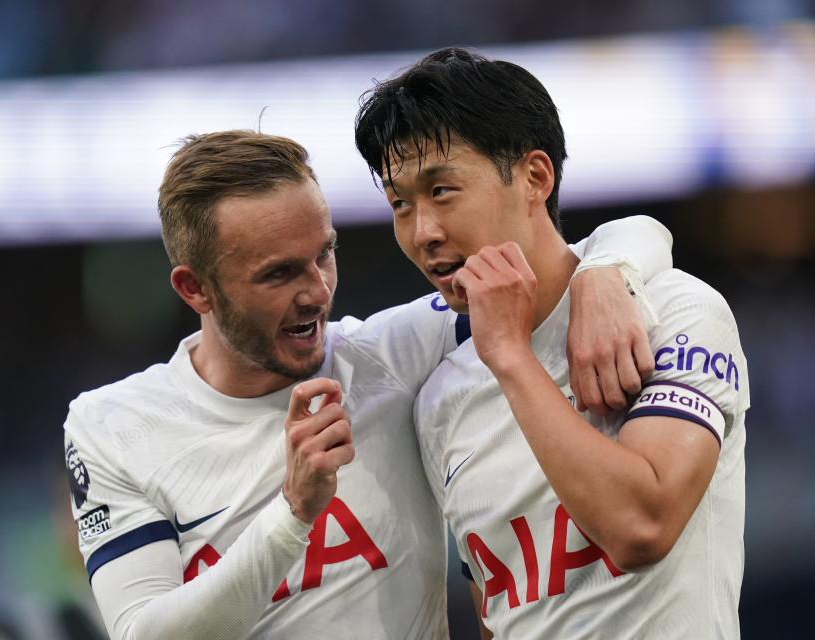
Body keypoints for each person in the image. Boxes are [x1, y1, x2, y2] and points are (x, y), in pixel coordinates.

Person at [63, 130, 672, 639]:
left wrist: (605, 275)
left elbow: (618, 238)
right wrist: (293, 513)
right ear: (194, 288)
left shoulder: (396, 354)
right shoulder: (112, 426)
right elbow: (142, 632)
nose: (316, 292)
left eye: (323, 255)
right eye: (278, 274)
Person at [354, 47, 749, 638]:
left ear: (535, 177)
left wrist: (511, 356)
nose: (423, 233)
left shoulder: (678, 312)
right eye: (399, 203)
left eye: (442, 191)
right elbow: (499, 610)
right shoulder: (440, 400)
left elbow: (642, 527)